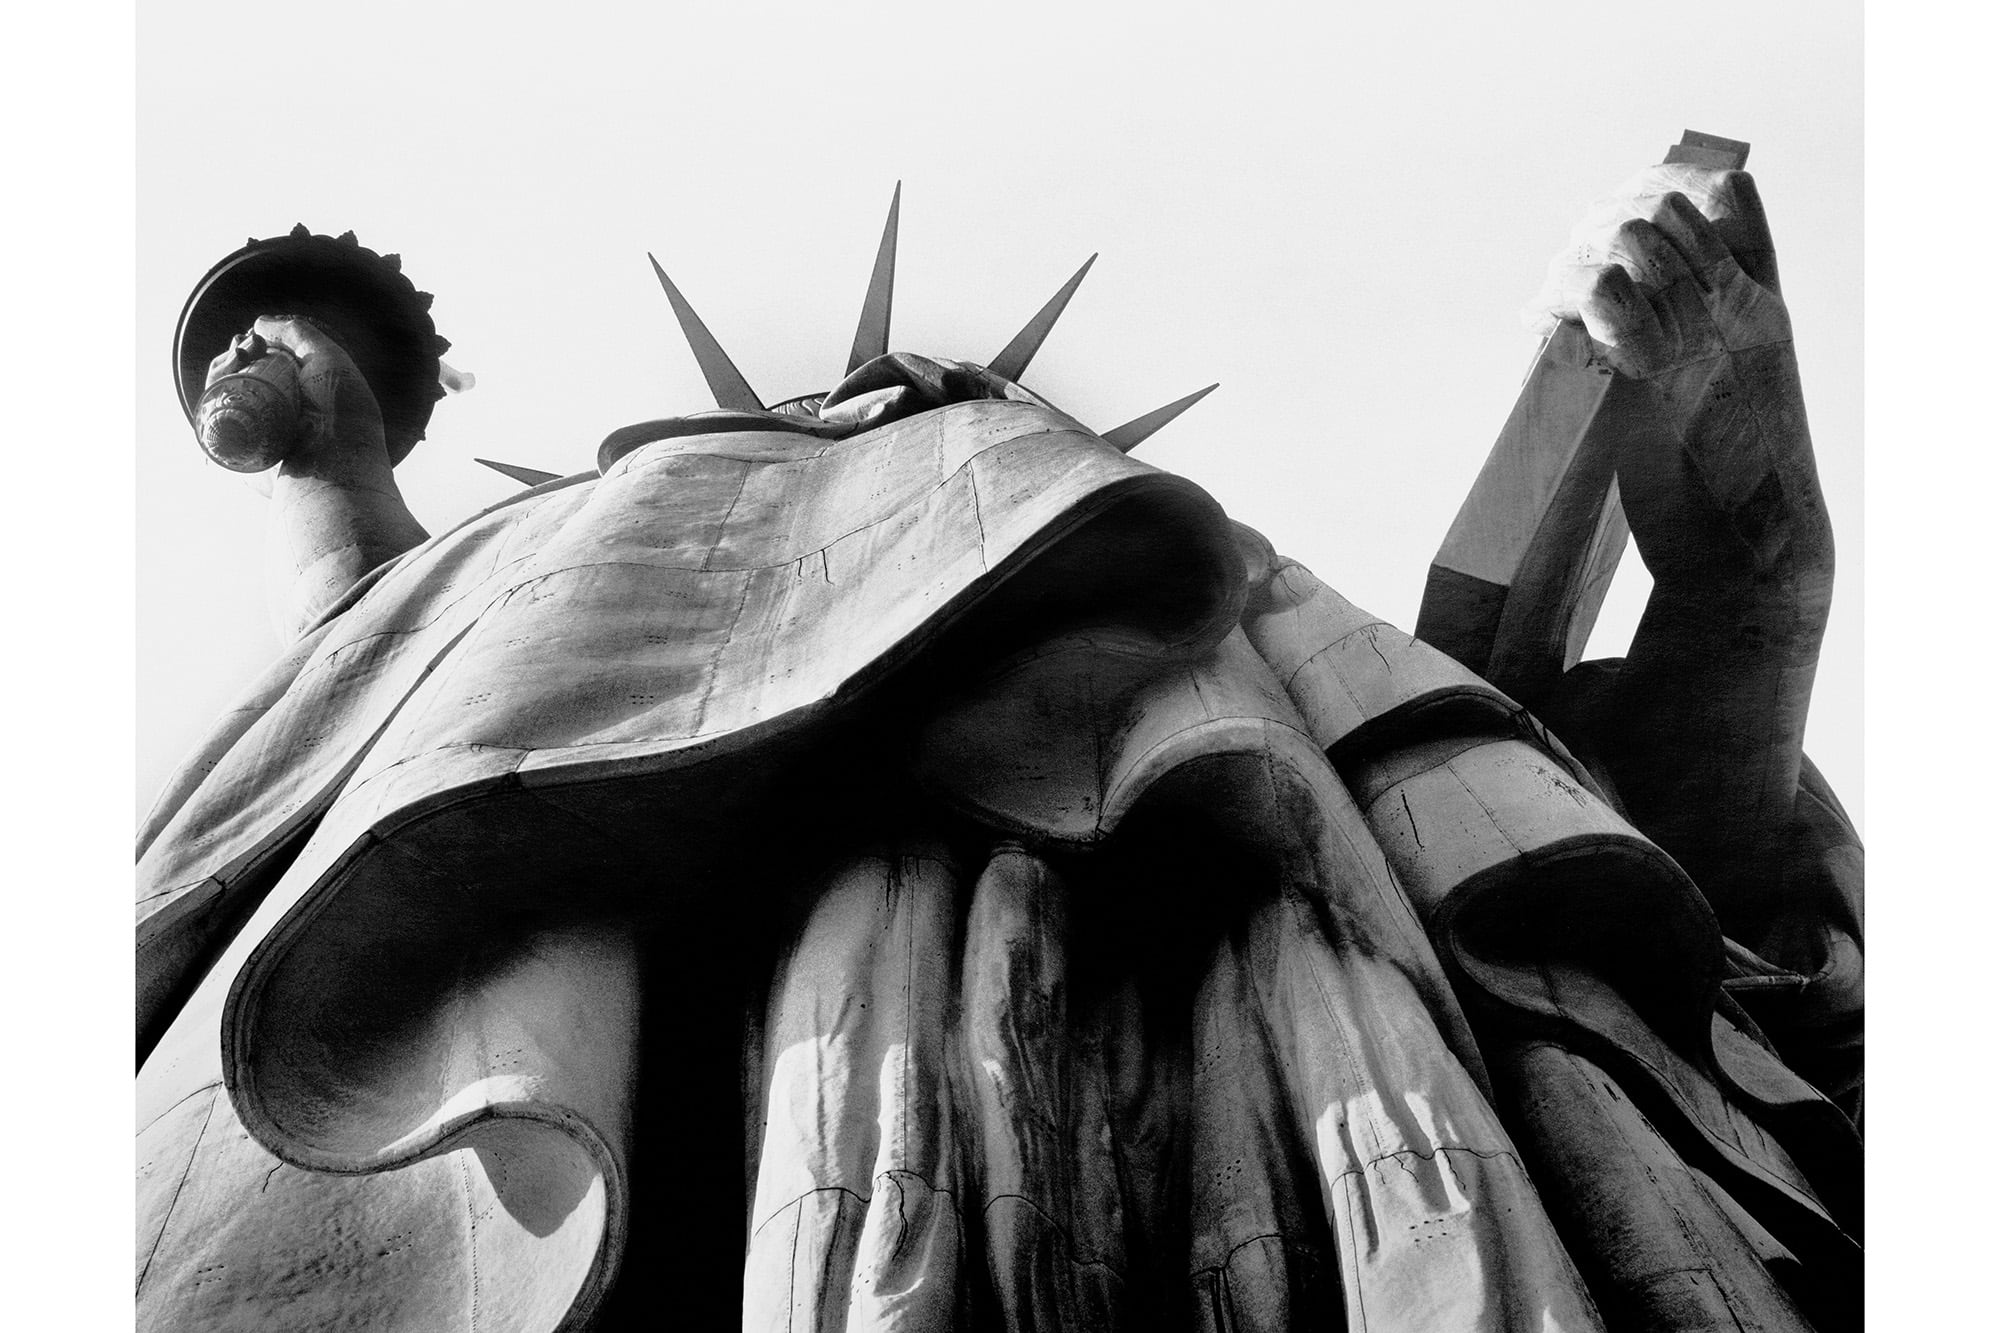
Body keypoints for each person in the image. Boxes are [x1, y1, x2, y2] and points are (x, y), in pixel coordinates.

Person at [136, 159, 1859, 1331]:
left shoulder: (1265, 642)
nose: (893, 433)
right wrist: (335, 479)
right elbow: (378, 767)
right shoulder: (598, 575)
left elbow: (1641, 894)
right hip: (805, 1055)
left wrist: (1753, 557)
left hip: (1288, 977)